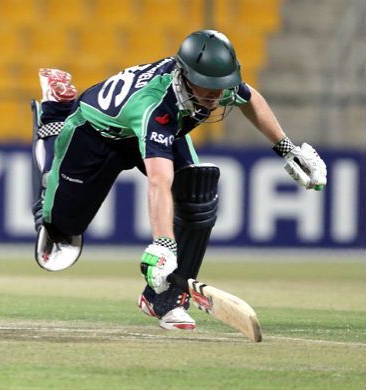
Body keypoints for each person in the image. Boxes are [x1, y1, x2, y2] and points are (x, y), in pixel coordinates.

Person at [30, 30, 327, 330]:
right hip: (95, 135)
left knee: (197, 193)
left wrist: (287, 150)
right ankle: (55, 112)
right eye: (207, 88)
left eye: (220, 88)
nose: (214, 98)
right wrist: (162, 244)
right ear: (184, 76)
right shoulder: (155, 105)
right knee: (61, 231)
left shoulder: (216, 84)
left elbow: (250, 98)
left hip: (153, 129)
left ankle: (167, 300)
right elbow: (159, 181)